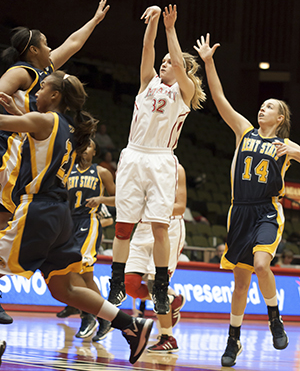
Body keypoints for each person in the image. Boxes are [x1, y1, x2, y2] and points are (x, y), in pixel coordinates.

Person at [0, 71, 153, 365]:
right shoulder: (67, 127)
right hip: (61, 216)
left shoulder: (44, 120)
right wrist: (18, 111)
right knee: (65, 289)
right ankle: (130, 325)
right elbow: (34, 134)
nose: (37, 93)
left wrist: (15, 113)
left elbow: (10, 125)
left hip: (39, 209)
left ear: (55, 96)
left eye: (42, 88)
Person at [0, 0, 110, 322]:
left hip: (26, 149)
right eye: (46, 43)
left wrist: (94, 20)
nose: (51, 47)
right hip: (9, 146)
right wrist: (17, 114)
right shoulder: (22, 71)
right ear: (33, 50)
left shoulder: (47, 74)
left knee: (6, 219)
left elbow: (73, 44)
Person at [195, 33, 298, 367]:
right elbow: (220, 98)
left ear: (280, 119)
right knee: (240, 285)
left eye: (269, 107)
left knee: (261, 265)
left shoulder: (286, 146)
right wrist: (209, 62)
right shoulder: (243, 131)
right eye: (262, 105)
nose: (261, 108)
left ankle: (274, 318)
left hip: (267, 211)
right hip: (238, 212)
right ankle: (233, 339)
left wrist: (298, 152)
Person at [108, 4, 205, 316]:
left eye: (169, 63)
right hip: (133, 154)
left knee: (160, 228)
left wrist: (170, 28)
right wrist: (152, 21)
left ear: (182, 72)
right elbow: (148, 47)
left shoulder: (184, 92)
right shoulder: (147, 82)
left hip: (162, 160)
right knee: (123, 226)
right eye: (161, 62)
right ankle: (116, 282)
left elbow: (178, 59)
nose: (164, 65)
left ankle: (161, 286)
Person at [57, 138, 116, 342]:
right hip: (68, 223)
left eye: (89, 145)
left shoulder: (101, 172)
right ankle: (105, 318)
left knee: (76, 269)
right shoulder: (67, 171)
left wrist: (101, 200)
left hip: (88, 222)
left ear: (95, 151)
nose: (85, 148)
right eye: (82, 144)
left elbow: (120, 198)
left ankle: (87, 316)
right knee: (86, 277)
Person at [124, 163, 187, 353]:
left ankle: (168, 338)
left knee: (155, 284)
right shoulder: (137, 164)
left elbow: (180, 207)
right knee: (130, 284)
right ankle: (172, 299)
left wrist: (152, 207)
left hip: (168, 226)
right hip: (143, 228)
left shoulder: (177, 169)